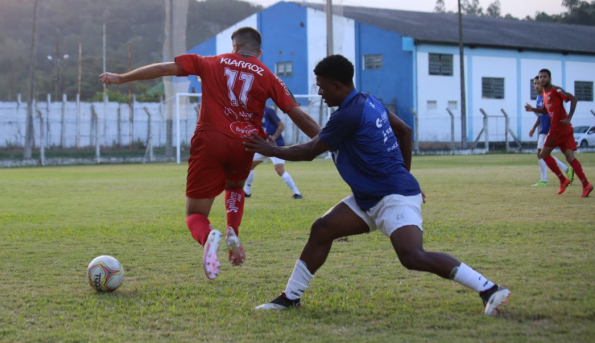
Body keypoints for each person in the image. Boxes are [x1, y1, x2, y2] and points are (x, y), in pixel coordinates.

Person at [245, 54, 510, 316]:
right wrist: (403, 175)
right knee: (322, 228)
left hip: (392, 196)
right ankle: (290, 298)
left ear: (337, 86)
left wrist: (269, 149)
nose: (319, 92)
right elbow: (404, 130)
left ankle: (489, 289)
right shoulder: (368, 102)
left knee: (412, 256)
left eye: (322, 86)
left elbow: (311, 150)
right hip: (372, 196)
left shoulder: (346, 116)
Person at [100, 27, 320, 280]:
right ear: (259, 52)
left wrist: (120, 78)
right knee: (236, 186)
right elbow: (297, 114)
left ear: (234, 47)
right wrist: (329, 140)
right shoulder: (270, 76)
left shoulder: (210, 62)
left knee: (195, 214)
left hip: (210, 137)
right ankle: (232, 230)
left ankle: (208, 238)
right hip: (246, 142)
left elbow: (163, 69)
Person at [525, 68, 592, 198]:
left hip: (558, 130)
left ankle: (563, 180)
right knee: (570, 157)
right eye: (540, 77)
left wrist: (569, 117)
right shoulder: (544, 93)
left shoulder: (556, 90)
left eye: (544, 76)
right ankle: (586, 185)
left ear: (549, 78)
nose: (542, 79)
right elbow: (545, 110)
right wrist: (532, 109)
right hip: (563, 130)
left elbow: (573, 99)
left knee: (543, 154)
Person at [244, 105, 303, 199]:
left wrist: (273, 138)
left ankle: (297, 193)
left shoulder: (268, 110)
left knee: (279, 169)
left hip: (275, 145)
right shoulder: (251, 112)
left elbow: (281, 126)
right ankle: (247, 192)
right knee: (249, 166)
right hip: (263, 146)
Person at [528, 76, 571, 186]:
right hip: (543, 129)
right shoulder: (538, 98)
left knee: (541, 154)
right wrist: (533, 128)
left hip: (549, 129)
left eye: (538, 83)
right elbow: (541, 115)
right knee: (542, 154)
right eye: (535, 83)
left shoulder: (546, 96)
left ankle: (544, 180)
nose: (537, 85)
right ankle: (566, 170)